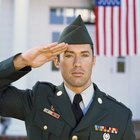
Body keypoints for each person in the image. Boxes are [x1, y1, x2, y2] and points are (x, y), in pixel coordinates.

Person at [0, 15, 136, 140]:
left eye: (84, 55)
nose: (77, 63)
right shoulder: (37, 100)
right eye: (69, 55)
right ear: (57, 61)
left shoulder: (120, 116)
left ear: (93, 60)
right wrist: (22, 61)